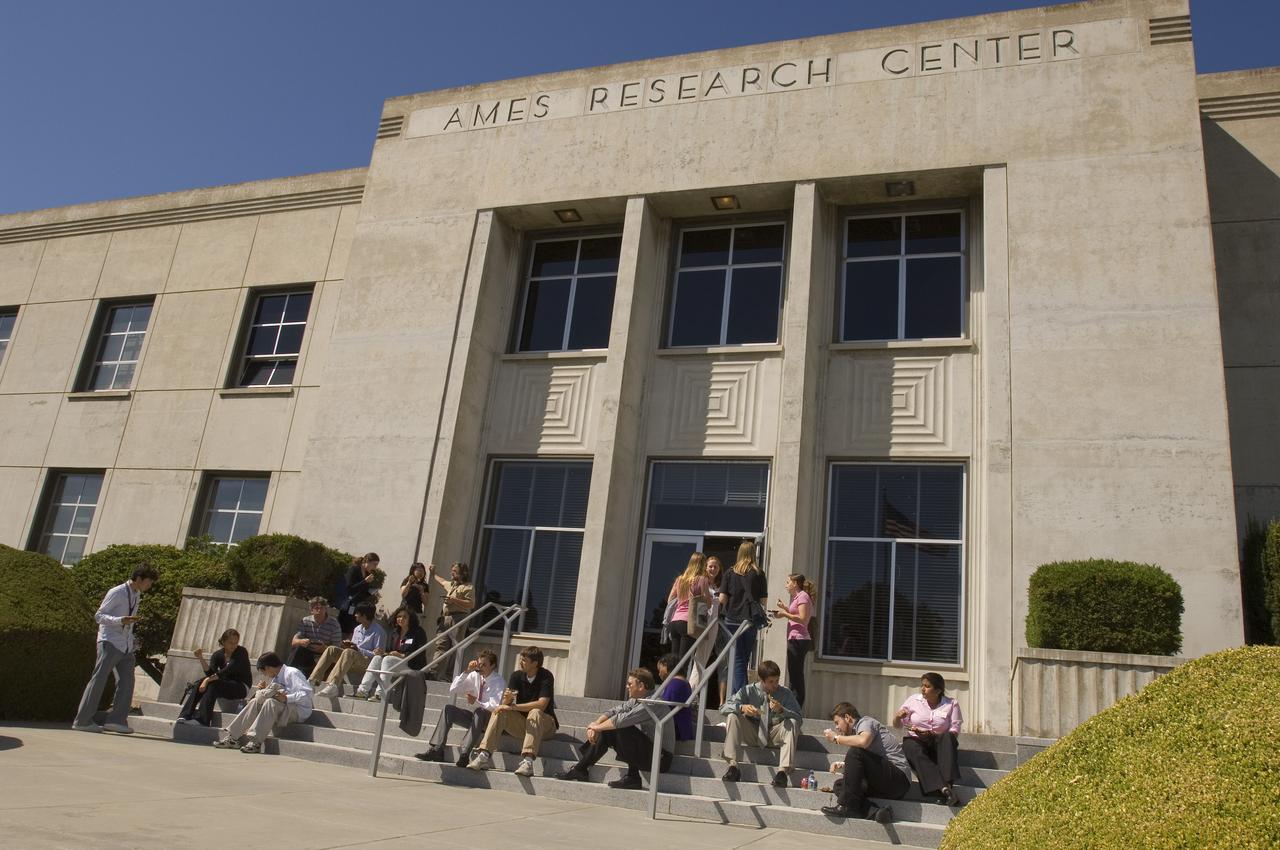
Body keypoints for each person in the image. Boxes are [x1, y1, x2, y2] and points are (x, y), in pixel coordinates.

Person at [73, 564, 158, 733]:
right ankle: (82, 721)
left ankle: (117, 720)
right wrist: (120, 620)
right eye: (149, 582)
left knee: (127, 681)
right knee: (99, 680)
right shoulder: (117, 592)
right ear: (139, 579)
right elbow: (99, 616)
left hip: (125, 645)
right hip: (109, 642)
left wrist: (131, 640)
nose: (149, 586)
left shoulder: (137, 594)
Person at [554, 668, 672, 789]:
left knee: (621, 727)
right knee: (611, 728)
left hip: (661, 758)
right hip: (649, 751)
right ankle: (581, 769)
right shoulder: (637, 700)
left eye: (630, 684)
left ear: (641, 686)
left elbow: (621, 720)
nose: (627, 687)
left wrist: (597, 728)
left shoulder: (653, 702)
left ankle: (633, 778)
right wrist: (596, 723)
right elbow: (615, 711)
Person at [467, 645, 558, 777]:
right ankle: (484, 755)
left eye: (524, 660)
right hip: (523, 724)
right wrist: (506, 701)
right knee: (500, 710)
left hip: (546, 726)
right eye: (521, 659)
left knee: (535, 712)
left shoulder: (545, 676)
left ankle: (528, 762)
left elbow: (542, 704)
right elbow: (506, 705)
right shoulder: (516, 676)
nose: (520, 662)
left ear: (535, 663)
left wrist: (513, 707)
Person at [820, 702, 911, 824]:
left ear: (847, 717)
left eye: (837, 722)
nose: (837, 727)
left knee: (855, 752)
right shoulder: (857, 734)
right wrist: (844, 766)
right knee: (840, 786)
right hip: (882, 783)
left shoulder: (866, 722)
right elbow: (869, 763)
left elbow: (863, 742)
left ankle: (846, 806)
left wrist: (836, 738)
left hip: (898, 780)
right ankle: (876, 812)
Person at [415, 649, 508, 767]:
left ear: (493, 666)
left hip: (490, 721)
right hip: (476, 717)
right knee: (448, 709)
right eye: (479, 664)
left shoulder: (498, 681)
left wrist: (476, 701)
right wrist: (467, 671)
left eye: (484, 665)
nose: (480, 667)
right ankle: (437, 749)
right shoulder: (475, 675)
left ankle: (465, 754)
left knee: (480, 711)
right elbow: (453, 689)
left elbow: (494, 707)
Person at [719, 659, 802, 788]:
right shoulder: (748, 690)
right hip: (753, 732)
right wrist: (742, 708)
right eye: (771, 681)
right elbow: (723, 708)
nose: (775, 685)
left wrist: (782, 710)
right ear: (762, 680)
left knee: (792, 721)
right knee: (732, 716)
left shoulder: (785, 693)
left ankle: (783, 772)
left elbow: (799, 717)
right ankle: (733, 766)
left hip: (776, 733)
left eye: (777, 680)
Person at [213, 652, 314, 753]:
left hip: (298, 710)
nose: (265, 675)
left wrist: (287, 698)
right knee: (255, 701)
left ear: (268, 667)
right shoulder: (277, 677)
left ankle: (255, 742)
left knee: (270, 703)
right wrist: (265, 690)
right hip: (283, 706)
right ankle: (232, 738)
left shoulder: (292, 673)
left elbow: (307, 694)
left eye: (263, 672)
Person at [894, 672, 964, 807]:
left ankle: (943, 788)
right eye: (922, 685)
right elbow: (897, 725)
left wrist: (931, 734)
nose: (923, 689)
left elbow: (954, 730)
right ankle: (945, 789)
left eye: (927, 686)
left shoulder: (951, 704)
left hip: (938, 742)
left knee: (948, 738)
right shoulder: (914, 700)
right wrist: (897, 717)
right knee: (910, 747)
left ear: (938, 690)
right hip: (917, 740)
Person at [718, 540, 768, 694]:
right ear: (753, 553)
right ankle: (740, 696)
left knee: (736, 660)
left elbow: (722, 599)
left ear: (739, 553)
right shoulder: (759, 573)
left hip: (732, 620)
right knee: (743, 659)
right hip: (750, 621)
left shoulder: (729, 572)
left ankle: (739, 697)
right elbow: (763, 601)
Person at [177, 628, 252, 727]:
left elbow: (228, 670)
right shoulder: (218, 655)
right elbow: (211, 673)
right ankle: (185, 715)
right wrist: (201, 658)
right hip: (224, 683)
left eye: (236, 642)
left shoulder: (241, 652)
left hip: (241, 686)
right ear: (223, 642)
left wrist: (207, 680)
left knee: (212, 684)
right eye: (230, 642)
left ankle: (202, 720)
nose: (233, 645)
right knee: (201, 682)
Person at [311, 603, 386, 698]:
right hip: (352, 657)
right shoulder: (357, 629)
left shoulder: (379, 631)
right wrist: (348, 645)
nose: (355, 615)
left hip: (367, 662)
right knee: (331, 649)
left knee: (349, 652)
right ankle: (313, 680)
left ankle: (332, 685)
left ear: (364, 615)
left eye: (357, 613)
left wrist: (358, 649)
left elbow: (378, 656)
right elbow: (352, 649)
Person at [357, 606, 428, 700]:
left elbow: (420, 653)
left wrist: (402, 655)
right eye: (399, 616)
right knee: (377, 658)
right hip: (393, 663)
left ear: (410, 618)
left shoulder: (418, 632)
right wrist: (382, 652)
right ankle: (362, 691)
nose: (401, 619)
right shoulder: (394, 633)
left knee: (387, 659)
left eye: (404, 617)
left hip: (411, 665)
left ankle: (380, 694)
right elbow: (389, 651)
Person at [772, 573, 815, 709]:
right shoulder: (798, 597)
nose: (786, 585)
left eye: (788, 582)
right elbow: (795, 613)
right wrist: (784, 608)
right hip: (795, 638)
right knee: (793, 672)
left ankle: (796, 705)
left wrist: (784, 614)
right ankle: (793, 704)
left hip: (799, 639)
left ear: (795, 583)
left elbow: (802, 618)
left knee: (796, 673)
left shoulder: (803, 596)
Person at [427, 562, 474, 676]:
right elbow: (442, 582)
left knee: (455, 647)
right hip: (445, 618)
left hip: (458, 618)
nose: (451, 573)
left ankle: (449, 675)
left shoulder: (468, 587)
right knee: (441, 645)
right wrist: (433, 574)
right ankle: (433, 673)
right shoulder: (452, 585)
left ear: (462, 573)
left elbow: (471, 604)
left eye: (454, 571)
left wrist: (454, 600)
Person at [666, 552, 712, 662]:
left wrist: (683, 599)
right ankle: (680, 679)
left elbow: (670, 600)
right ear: (702, 565)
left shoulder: (680, 579)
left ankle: (672, 679)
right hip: (688, 623)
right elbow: (708, 604)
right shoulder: (702, 580)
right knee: (683, 662)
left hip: (674, 622)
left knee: (674, 661)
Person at [286, 597, 342, 678]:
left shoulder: (334, 624)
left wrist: (324, 648)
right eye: (316, 608)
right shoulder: (305, 621)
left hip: (325, 655)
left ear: (325, 609)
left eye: (322, 608)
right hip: (308, 652)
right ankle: (286, 675)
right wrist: (302, 641)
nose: (319, 610)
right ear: (311, 610)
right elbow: (294, 641)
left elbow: (337, 648)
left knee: (327, 658)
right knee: (297, 650)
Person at [655, 653, 694, 743]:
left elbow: (664, 707)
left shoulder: (675, 683)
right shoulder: (684, 682)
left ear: (666, 665)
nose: (659, 673)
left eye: (659, 669)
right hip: (683, 729)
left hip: (677, 730)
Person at [339, 553, 381, 634]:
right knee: (344, 630)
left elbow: (362, 593)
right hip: (348, 605)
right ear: (367, 561)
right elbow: (350, 588)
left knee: (352, 632)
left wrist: (371, 592)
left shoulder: (367, 574)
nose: (375, 567)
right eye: (374, 564)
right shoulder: (354, 569)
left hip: (358, 609)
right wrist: (364, 581)